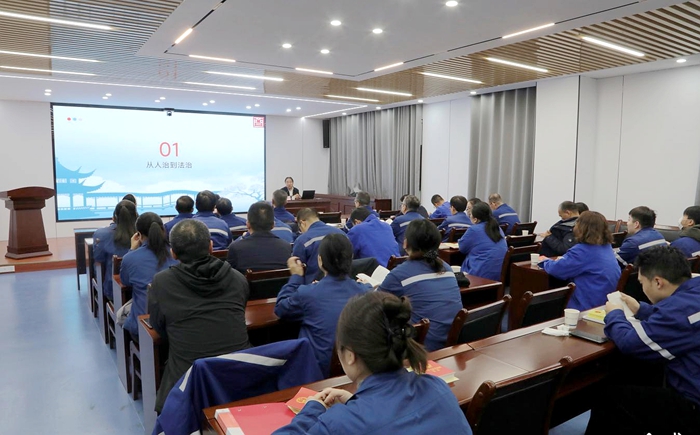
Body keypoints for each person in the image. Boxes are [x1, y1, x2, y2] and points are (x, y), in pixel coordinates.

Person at [275, 291, 472, 435]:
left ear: (350, 355)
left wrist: (312, 409)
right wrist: (355, 402)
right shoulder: (437, 386)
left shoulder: (339, 424)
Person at [586, 246, 700, 435]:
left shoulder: (678, 312)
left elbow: (631, 343)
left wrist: (615, 314)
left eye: (642, 283)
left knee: (609, 397)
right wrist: (642, 309)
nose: (642, 288)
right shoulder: (692, 294)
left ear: (658, 282)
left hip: (693, 406)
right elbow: (679, 319)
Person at [148, 219, 251, 413]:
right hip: (238, 376)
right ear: (211, 246)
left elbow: (159, 326)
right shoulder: (238, 279)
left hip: (189, 380)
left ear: (173, 253)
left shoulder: (161, 283)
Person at [275, 234, 371, 376]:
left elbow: (281, 308)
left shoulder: (307, 294)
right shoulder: (366, 292)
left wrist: (296, 276)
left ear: (320, 261)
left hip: (317, 375)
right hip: (357, 370)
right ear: (351, 258)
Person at [379, 219, 462, 351]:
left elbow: (374, 304)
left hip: (421, 348)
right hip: (451, 344)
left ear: (406, 243)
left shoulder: (400, 274)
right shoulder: (446, 268)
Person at [540, 211, 621, 310]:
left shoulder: (582, 251)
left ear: (581, 228)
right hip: (605, 302)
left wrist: (544, 261)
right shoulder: (607, 247)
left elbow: (556, 270)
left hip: (586, 306)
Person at [119, 212, 177, 340]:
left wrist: (132, 250)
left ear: (138, 235)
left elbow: (125, 281)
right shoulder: (177, 253)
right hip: (176, 324)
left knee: (120, 315)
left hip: (145, 327)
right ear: (163, 230)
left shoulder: (130, 258)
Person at [227, 201, 292, 274]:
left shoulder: (235, 248)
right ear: (273, 225)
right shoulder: (286, 247)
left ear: (248, 224)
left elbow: (230, 275)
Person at [94, 200, 137, 301]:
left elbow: (98, 259)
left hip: (113, 291)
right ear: (136, 215)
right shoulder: (141, 235)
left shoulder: (101, 234)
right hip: (140, 291)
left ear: (114, 216)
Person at [293, 208, 346, 284]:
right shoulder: (342, 234)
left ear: (302, 223)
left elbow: (297, 268)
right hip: (342, 282)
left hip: (313, 286)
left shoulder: (302, 240)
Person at [457, 202, 507, 281]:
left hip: (479, 275)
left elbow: (462, 249)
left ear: (475, 219)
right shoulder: (498, 228)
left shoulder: (473, 230)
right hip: (498, 274)